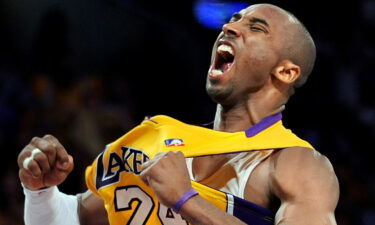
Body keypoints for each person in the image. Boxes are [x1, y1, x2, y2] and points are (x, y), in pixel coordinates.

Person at [17, 3, 339, 225]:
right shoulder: (155, 139)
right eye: (234, 19)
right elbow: (73, 218)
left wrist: (185, 199)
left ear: (286, 72)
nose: (229, 26)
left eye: (256, 28)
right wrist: (41, 192)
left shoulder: (297, 163)